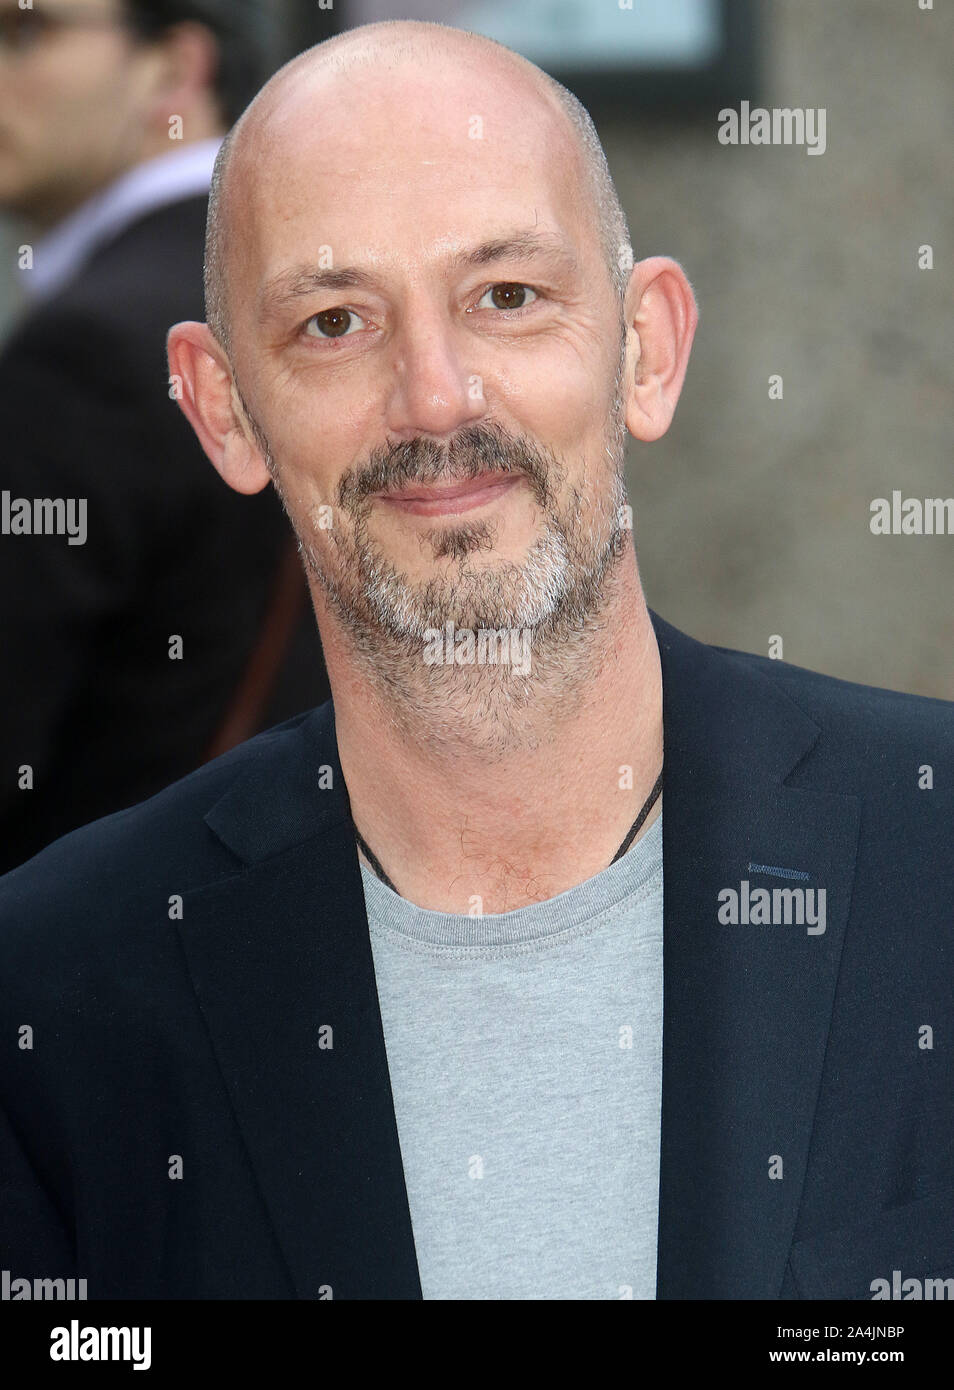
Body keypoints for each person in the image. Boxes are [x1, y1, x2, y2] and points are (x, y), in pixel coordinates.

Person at [1, 18, 952, 1301]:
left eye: (507, 297)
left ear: (647, 349)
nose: (437, 398)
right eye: (335, 321)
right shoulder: (59, 992)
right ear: (225, 410)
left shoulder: (929, 850)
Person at [0, 0, 329, 875]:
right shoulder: (312, 294)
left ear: (176, 70)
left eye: (22, 32)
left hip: (97, 958)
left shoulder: (86, 349)